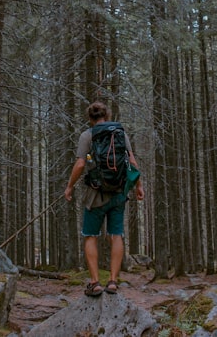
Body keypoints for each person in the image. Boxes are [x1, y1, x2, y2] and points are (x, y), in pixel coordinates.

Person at [64, 101, 144, 297]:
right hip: (118, 193)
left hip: (95, 194)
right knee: (115, 235)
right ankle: (113, 281)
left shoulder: (87, 135)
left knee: (91, 235)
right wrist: (138, 187)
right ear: (106, 116)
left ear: (90, 118)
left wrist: (69, 186)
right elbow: (132, 161)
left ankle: (95, 283)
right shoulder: (120, 134)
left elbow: (81, 164)